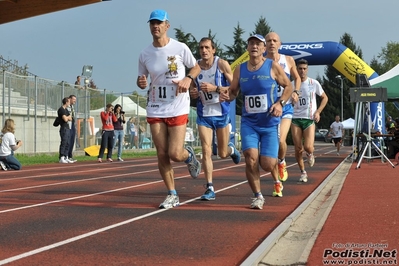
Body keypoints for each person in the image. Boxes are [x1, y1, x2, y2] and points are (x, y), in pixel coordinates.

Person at [137, 9, 202, 209]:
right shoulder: (145, 54)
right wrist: (141, 82)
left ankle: (188, 155)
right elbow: (142, 80)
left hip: (177, 106)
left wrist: (188, 79)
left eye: (159, 23)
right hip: (156, 106)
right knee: (162, 153)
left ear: (167, 26)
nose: (155, 26)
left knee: (175, 153)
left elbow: (197, 67)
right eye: (152, 23)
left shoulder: (180, 48)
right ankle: (172, 193)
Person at [220, 34, 293, 209]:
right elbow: (234, 92)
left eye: (258, 44)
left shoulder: (272, 66)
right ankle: (257, 195)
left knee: (267, 164)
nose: (254, 46)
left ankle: (275, 169)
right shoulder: (240, 69)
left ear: (263, 49)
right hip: (249, 123)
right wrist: (226, 96)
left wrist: (280, 103)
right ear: (247, 48)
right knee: (250, 158)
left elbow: (289, 86)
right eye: (251, 43)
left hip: (269, 123)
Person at [189, 37, 241, 201]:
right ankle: (210, 187)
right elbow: (191, 89)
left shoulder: (222, 64)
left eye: (206, 47)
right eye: (201, 48)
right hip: (204, 115)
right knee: (206, 151)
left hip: (221, 114)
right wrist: (194, 93)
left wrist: (215, 88)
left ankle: (231, 150)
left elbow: (235, 89)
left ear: (213, 50)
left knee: (222, 153)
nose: (203, 51)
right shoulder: (195, 67)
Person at [264, 32, 300, 183]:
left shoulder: (288, 60)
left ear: (279, 44)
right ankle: (276, 180)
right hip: (270, 108)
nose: (272, 43)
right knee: (272, 144)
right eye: (269, 41)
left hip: (285, 107)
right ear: (264, 45)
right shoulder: (262, 62)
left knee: (281, 140)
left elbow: (297, 78)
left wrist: (296, 91)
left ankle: (282, 161)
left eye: (274, 41)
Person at [291, 59, 328, 182]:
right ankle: (303, 172)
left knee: (308, 147)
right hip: (295, 118)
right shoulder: (292, 85)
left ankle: (310, 154)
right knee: (298, 148)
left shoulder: (313, 83)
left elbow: (324, 98)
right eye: (300, 68)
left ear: (307, 69)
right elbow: (285, 100)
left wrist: (318, 112)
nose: (302, 71)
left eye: (304, 69)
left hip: (309, 119)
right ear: (296, 69)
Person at [58, 97, 74, 163]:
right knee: (64, 142)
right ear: (66, 102)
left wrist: (67, 117)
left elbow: (71, 118)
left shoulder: (66, 110)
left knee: (68, 142)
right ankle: (61, 157)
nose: (69, 103)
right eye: (69, 102)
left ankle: (66, 156)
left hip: (67, 127)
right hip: (64, 127)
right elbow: (65, 119)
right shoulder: (61, 109)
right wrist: (67, 117)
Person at [67, 94, 77, 162]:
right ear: (70, 99)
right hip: (68, 124)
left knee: (72, 139)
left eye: (75, 100)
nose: (74, 101)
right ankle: (66, 155)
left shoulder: (72, 107)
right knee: (68, 140)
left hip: (73, 124)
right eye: (73, 99)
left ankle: (70, 155)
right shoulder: (67, 106)